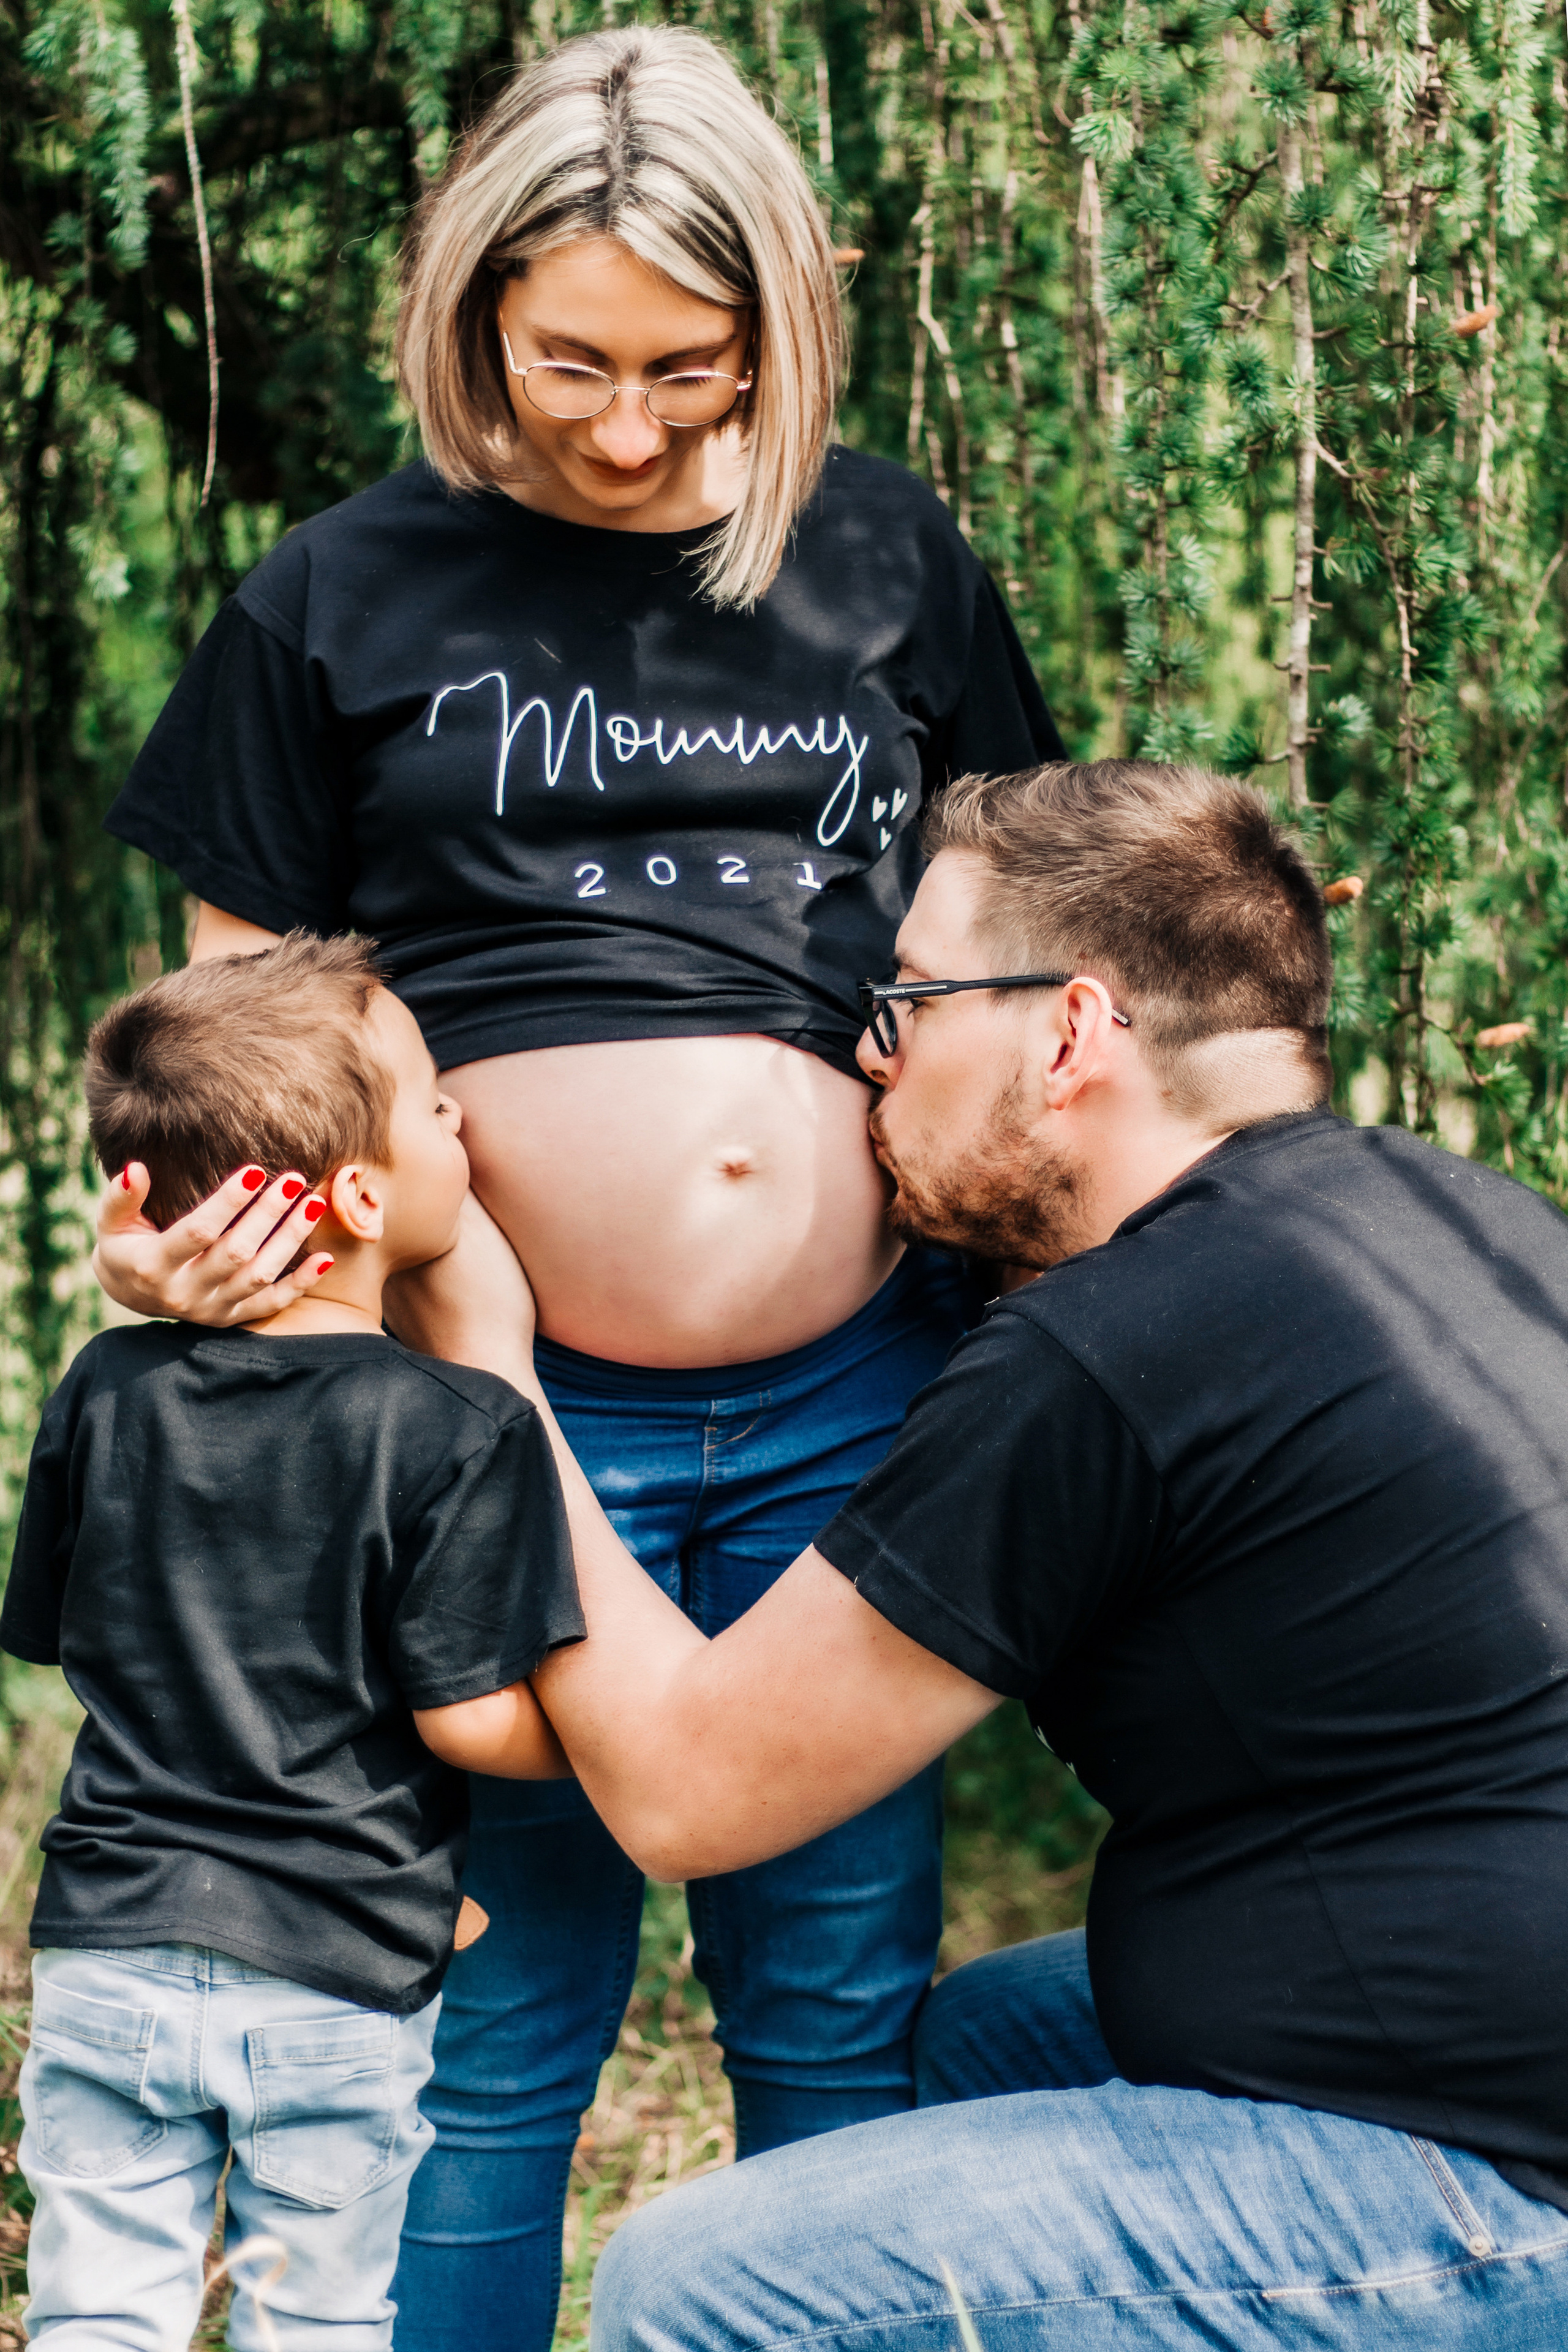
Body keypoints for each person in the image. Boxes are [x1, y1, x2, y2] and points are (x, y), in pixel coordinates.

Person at [89, 24, 1065, 2347]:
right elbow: (243, 1057)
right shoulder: (334, 595)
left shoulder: (887, 552)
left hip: (865, 1404)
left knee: (836, 2008)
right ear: (469, 317)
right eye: (570, 367)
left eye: (694, 375)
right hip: (491, 1418)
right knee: (497, 2040)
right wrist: (189, 1252)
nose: (628, 429)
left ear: (784, 333)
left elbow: (1028, 941)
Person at [393, 761, 1568, 2348]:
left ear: (1071, 1034)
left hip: (1495, 2177)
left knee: (709, 2282)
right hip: (1471, 2020)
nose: (871, 1057)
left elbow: (688, 1792)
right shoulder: (1450, 1220)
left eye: (913, 1002)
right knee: (972, 2049)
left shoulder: (1118, 1345)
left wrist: (492, 1362)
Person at [4, 937, 584, 2352]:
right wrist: (595, 1736)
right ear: (364, 1195)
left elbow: (56, 1630)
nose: (464, 1119)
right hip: (336, 1970)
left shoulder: (106, 1385)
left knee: (95, 2311)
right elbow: (465, 1722)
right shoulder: (460, 1425)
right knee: (312, 2321)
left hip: (107, 1946)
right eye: (436, 1102)